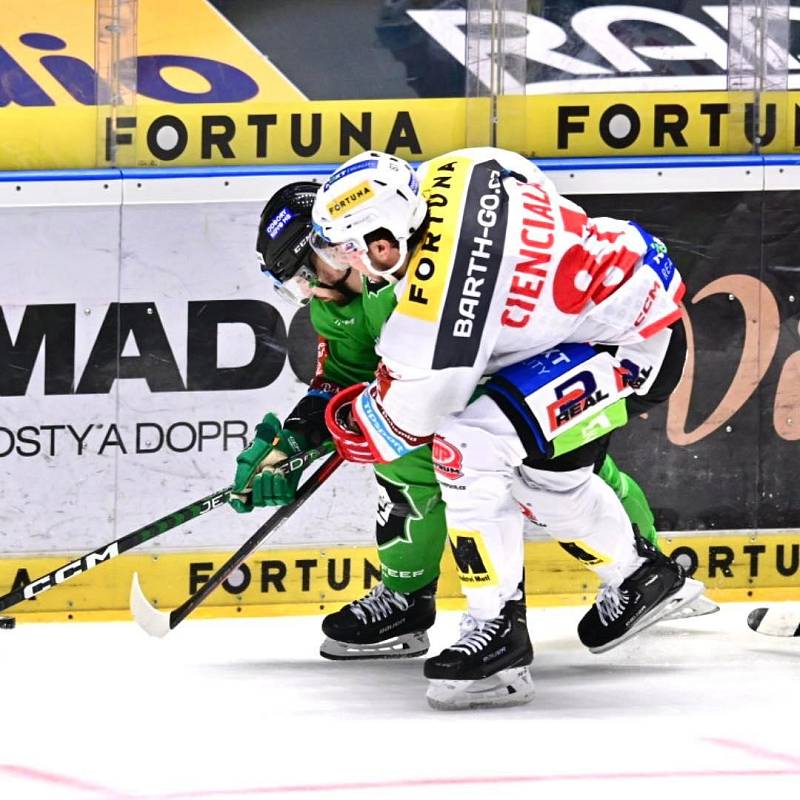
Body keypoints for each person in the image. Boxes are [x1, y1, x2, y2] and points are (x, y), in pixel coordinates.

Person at [228, 179, 681, 672]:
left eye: (306, 273)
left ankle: (636, 571)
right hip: (499, 373)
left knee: (544, 473)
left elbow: (406, 409)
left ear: (344, 248)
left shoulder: (418, 287)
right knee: (434, 461)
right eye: (294, 285)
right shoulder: (342, 300)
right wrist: (294, 438)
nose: (309, 292)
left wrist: (335, 430)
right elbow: (343, 381)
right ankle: (413, 598)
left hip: (582, 349)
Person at [309, 148, 706, 710]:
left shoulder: (430, 308)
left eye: (347, 247)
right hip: (627, 290)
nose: (346, 261)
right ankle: (642, 577)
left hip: (628, 343)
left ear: (382, 238)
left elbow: (404, 423)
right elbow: (526, 177)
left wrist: (345, 419)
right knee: (547, 486)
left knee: (464, 448)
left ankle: (496, 631)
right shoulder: (459, 169)